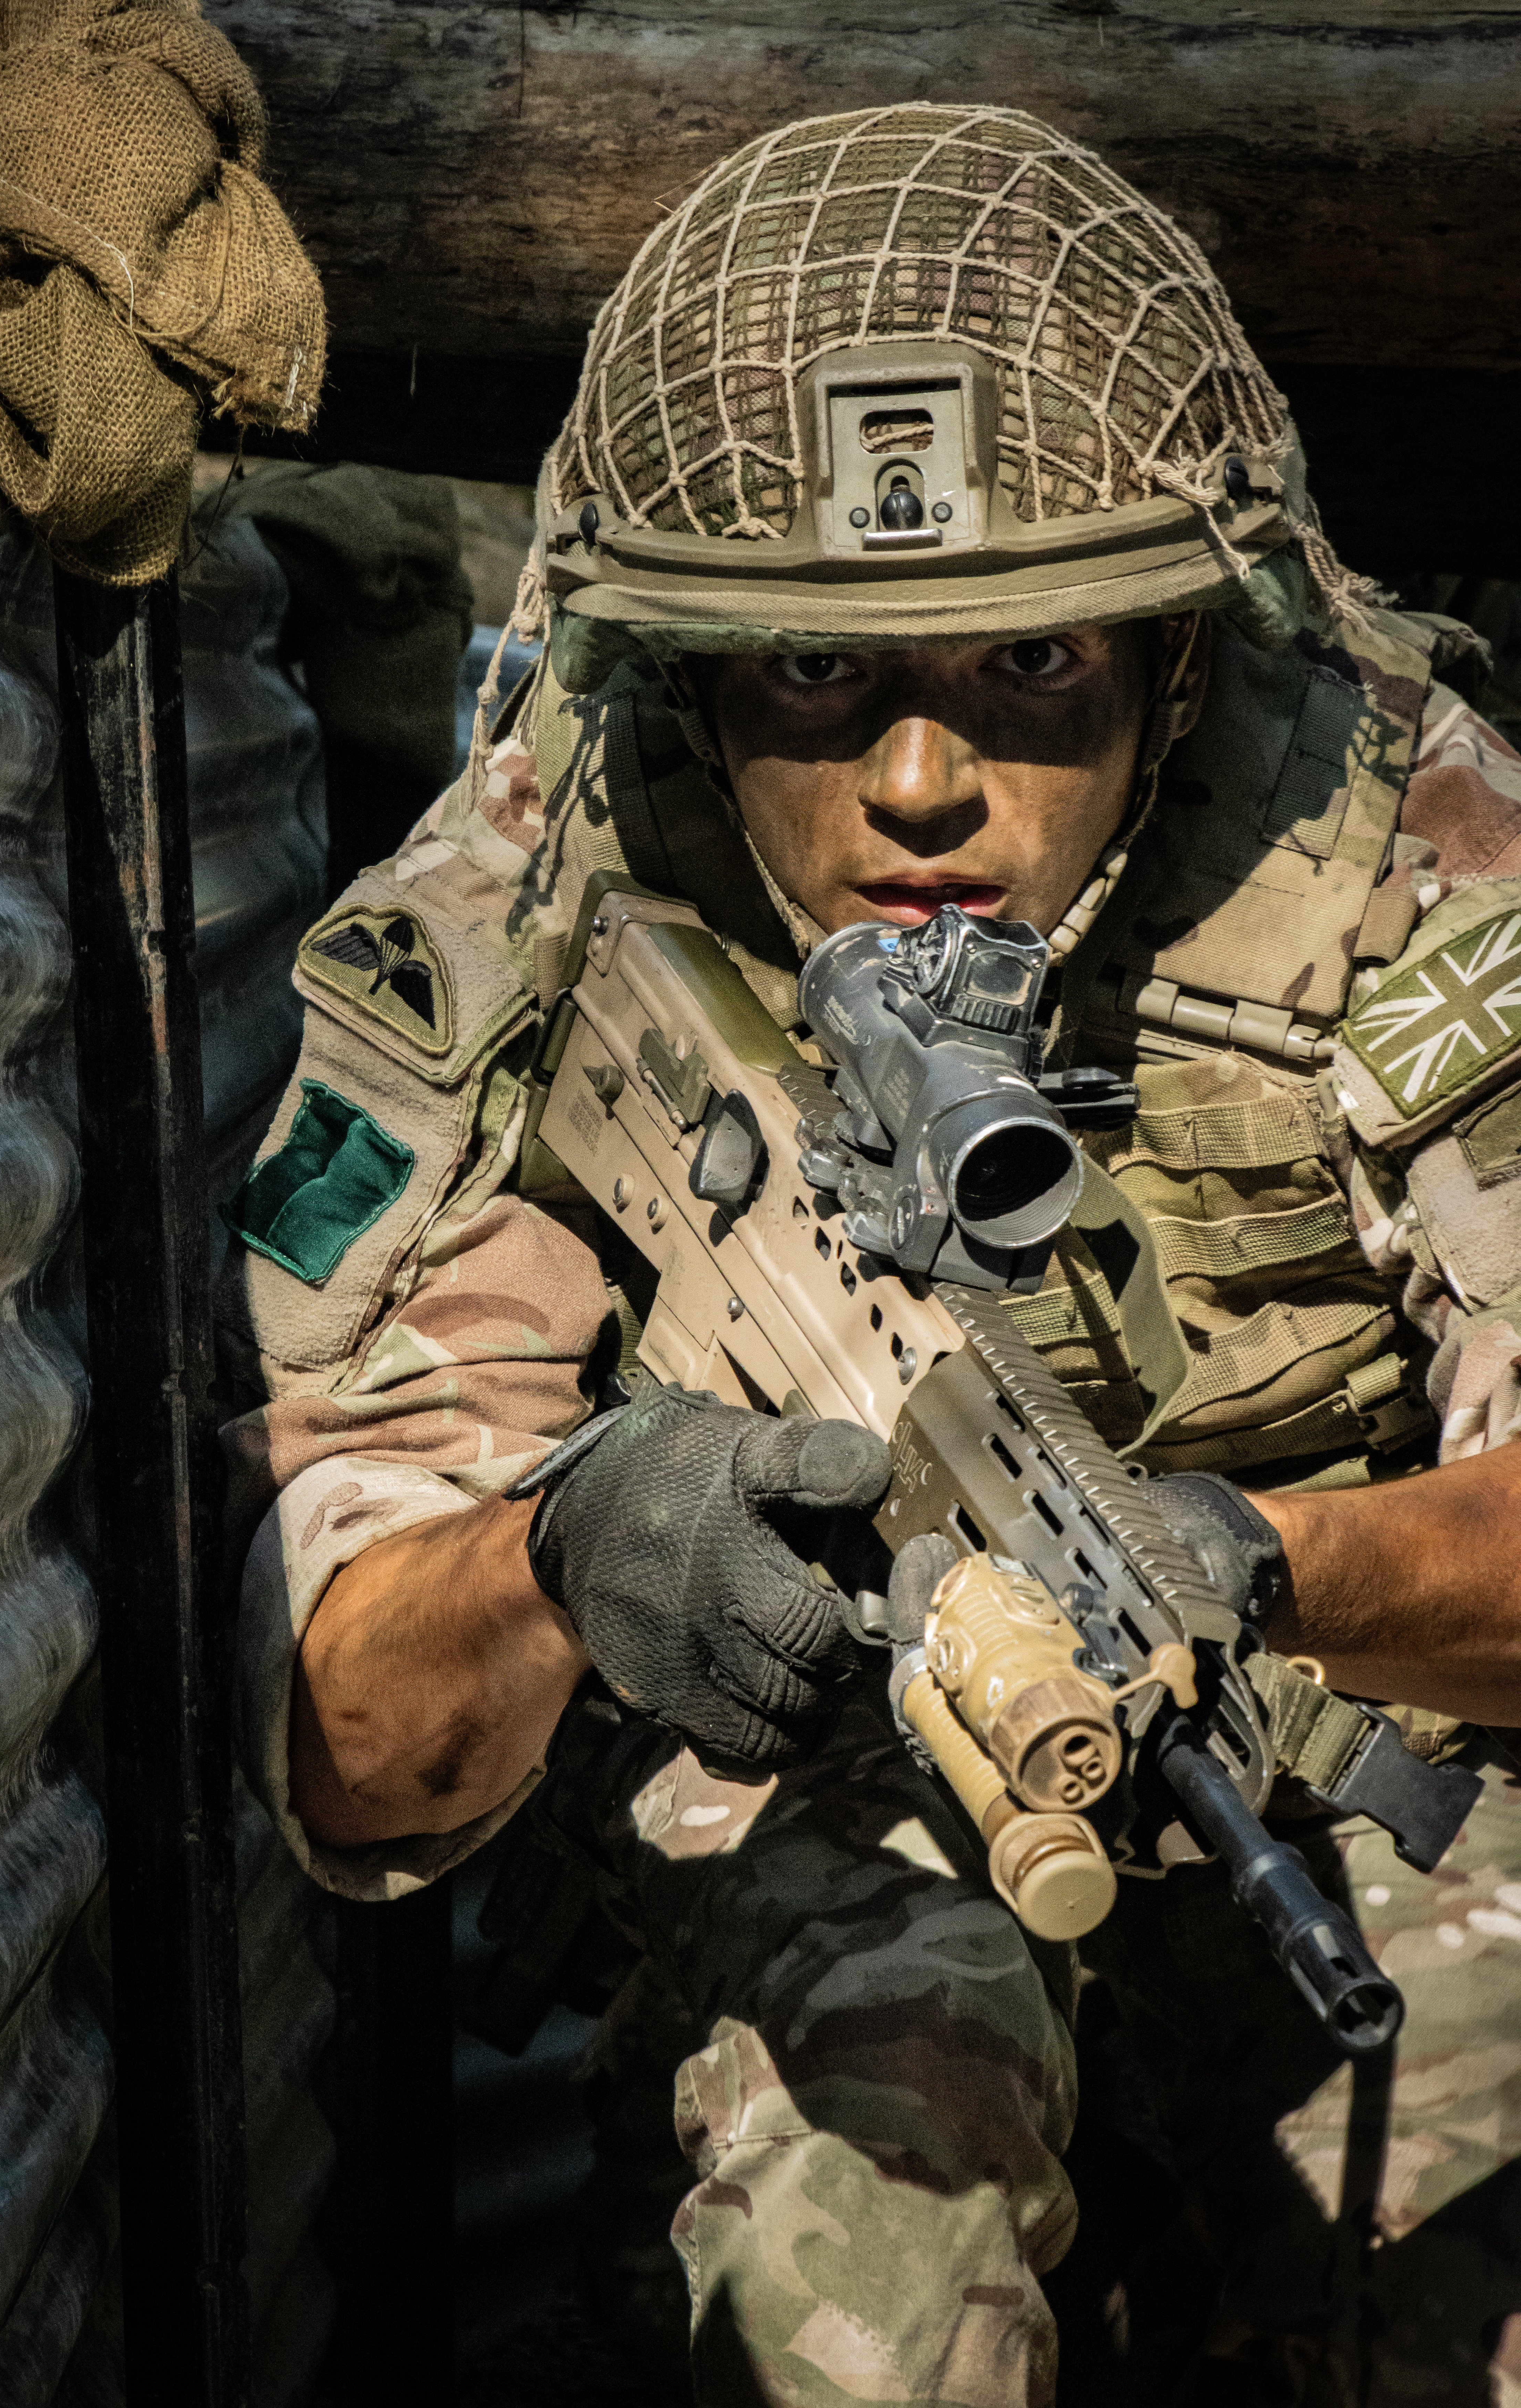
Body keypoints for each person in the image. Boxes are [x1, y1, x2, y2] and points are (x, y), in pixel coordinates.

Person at [216, 106, 1521, 2405]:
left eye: (1034, 662)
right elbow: (346, 1739)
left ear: (1182, 663)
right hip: (831, 1755)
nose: (925, 784)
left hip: (1346, 1733)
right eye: (819, 683)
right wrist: (570, 1549)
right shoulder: (550, 882)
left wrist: (1256, 1562)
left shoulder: (1397, 836)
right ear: (692, 686)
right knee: (862, 2301)